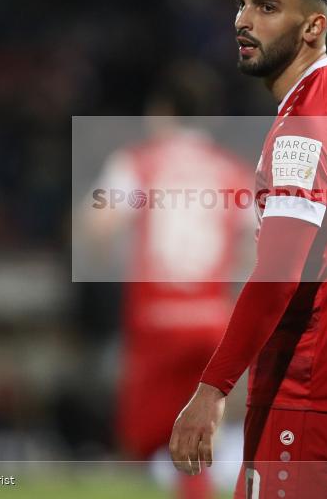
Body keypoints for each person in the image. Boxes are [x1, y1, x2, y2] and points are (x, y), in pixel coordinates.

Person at [169, 0, 327, 499]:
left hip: (312, 387)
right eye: (243, 3)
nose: (243, 20)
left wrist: (212, 388)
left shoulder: (306, 127)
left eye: (267, 7)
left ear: (313, 26)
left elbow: (277, 275)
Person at [86, 62, 252, 499]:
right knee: (195, 448)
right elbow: (260, 243)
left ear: (161, 111)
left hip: (157, 319)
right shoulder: (230, 172)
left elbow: (98, 227)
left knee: (136, 446)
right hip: (213, 323)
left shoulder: (140, 165)